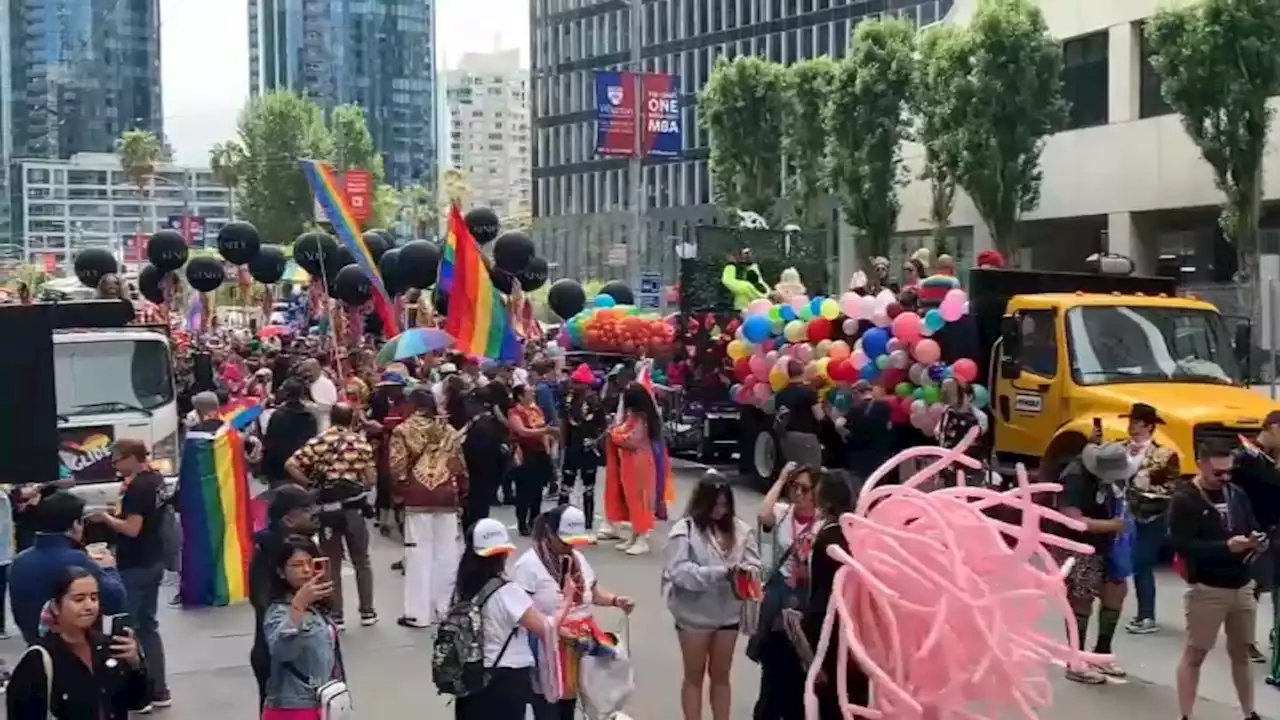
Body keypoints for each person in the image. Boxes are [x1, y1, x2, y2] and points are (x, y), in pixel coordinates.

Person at [1170, 440, 1264, 720]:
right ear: (1200, 464)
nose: (1224, 478)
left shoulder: (1236, 493)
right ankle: (1186, 715)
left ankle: (1249, 713)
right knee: (1195, 653)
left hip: (1243, 586)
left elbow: (1252, 525)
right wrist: (1225, 547)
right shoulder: (1185, 499)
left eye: (1228, 472)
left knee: (1242, 654)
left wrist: (1255, 541)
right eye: (1217, 473)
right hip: (1208, 587)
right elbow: (1182, 544)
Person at [514, 506, 635, 720]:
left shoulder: (577, 559)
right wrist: (557, 631)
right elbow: (520, 611)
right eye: (564, 540)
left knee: (570, 707)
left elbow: (593, 593)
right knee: (548, 708)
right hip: (546, 649)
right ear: (550, 533)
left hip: (578, 646)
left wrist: (616, 600)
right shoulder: (528, 565)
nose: (569, 545)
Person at [452, 518, 573, 720]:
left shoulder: (463, 587)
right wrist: (567, 600)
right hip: (505, 678)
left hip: (471, 674)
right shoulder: (507, 592)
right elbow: (546, 627)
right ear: (504, 553)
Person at [663, 472, 760, 720]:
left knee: (721, 676)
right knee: (694, 676)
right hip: (693, 616)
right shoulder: (684, 530)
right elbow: (679, 572)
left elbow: (756, 564)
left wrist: (747, 572)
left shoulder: (741, 530)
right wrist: (720, 573)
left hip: (728, 614)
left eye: (725, 504)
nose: (720, 510)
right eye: (715, 504)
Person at [86, 438, 172, 709]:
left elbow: (132, 529)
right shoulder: (155, 479)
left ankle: (138, 693)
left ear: (133, 457)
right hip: (153, 558)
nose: (114, 464)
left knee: (128, 629)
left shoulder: (138, 488)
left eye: (117, 459)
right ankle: (159, 690)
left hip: (136, 564)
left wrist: (106, 519)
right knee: (148, 626)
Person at [6, 566, 150, 719]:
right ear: (56, 606)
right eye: (79, 599)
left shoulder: (108, 647)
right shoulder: (38, 660)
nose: (89, 606)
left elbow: (138, 702)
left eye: (94, 598)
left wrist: (136, 664)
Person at [285, 403, 378, 629]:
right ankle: (367, 612)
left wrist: (310, 486)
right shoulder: (359, 442)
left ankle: (337, 615)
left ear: (332, 419)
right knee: (361, 560)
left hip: (327, 509)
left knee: (331, 563)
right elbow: (370, 478)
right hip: (353, 509)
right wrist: (357, 483)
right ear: (351, 420)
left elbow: (291, 464)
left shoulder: (320, 441)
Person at [1054, 442, 1134, 684]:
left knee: (1116, 593)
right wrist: (1113, 526)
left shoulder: (1110, 479)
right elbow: (1073, 520)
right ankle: (1076, 660)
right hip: (1078, 547)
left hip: (1108, 546)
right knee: (1081, 600)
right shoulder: (1075, 478)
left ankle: (1101, 654)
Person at [388, 388, 466, 628]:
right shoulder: (449, 430)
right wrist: (461, 489)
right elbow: (458, 465)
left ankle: (418, 613)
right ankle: (443, 609)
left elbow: (397, 467)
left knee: (418, 552)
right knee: (446, 553)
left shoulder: (403, 430)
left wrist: (399, 491)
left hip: (418, 494)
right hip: (446, 495)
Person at [9, 491, 127, 645]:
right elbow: (116, 600)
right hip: (72, 649)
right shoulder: (77, 560)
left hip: (35, 646)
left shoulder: (19, 561)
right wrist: (109, 568)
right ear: (75, 524)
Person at [753, 463, 820, 720]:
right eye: (795, 487)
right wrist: (781, 480)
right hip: (780, 597)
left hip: (806, 599)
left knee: (800, 672)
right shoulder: (783, 512)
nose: (799, 494)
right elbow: (763, 515)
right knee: (771, 668)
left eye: (805, 489)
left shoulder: (822, 522)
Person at [801, 470, 867, 719]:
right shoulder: (858, 531)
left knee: (831, 702)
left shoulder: (830, 537)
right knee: (854, 697)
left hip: (830, 629)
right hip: (858, 629)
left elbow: (822, 588)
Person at [249, 486, 319, 711]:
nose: (313, 513)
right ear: (288, 519)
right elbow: (263, 604)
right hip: (279, 659)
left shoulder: (304, 548)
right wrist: (298, 604)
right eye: (306, 509)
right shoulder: (269, 555)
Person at [261, 536, 345, 719]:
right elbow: (282, 651)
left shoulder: (317, 607)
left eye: (310, 563)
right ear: (281, 572)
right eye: (297, 565)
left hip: (324, 700)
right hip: (293, 707)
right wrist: (298, 606)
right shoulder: (278, 612)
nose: (306, 570)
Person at [1120, 402, 1181, 637]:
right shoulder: (1118, 449)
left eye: (1138, 423)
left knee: (1142, 562)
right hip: (1121, 513)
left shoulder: (1165, 455)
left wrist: (1146, 490)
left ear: (1149, 427)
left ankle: (1146, 615)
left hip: (1151, 516)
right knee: (1118, 563)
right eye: (1131, 422)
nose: (1132, 427)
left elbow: (1171, 488)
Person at [1233, 409, 1280, 673]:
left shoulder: (1268, 458)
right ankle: (1244, 639)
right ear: (1273, 428)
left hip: (1275, 528)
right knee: (1252, 588)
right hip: (1254, 530)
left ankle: (1275, 631)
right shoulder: (1246, 457)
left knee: (1270, 585)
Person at [604, 385, 662, 555]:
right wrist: (615, 432)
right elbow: (622, 432)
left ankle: (642, 537)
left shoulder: (643, 420)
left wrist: (613, 435)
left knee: (640, 500)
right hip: (629, 463)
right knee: (631, 500)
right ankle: (635, 534)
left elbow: (631, 440)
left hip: (640, 464)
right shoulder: (634, 417)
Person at [559, 364, 605, 529]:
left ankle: (587, 523)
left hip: (588, 450)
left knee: (588, 489)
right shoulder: (567, 400)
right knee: (565, 487)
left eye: (577, 382)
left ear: (586, 385)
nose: (573, 385)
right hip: (572, 448)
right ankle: (560, 519)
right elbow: (564, 423)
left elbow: (604, 427)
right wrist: (562, 446)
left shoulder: (595, 402)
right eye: (572, 382)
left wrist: (596, 441)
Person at [509, 384, 557, 536]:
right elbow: (522, 431)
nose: (532, 395)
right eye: (529, 393)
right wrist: (545, 430)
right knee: (524, 490)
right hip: (525, 453)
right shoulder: (514, 412)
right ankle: (522, 522)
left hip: (540, 453)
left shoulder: (536, 410)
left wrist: (548, 448)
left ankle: (535, 521)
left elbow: (544, 431)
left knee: (538, 490)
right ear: (520, 396)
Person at [261, 379, 320, 487]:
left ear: (286, 393)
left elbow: (270, 443)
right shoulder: (310, 417)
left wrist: (264, 469)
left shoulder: (278, 416)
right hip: (300, 467)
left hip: (279, 469)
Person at [773, 359, 823, 468]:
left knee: (793, 470)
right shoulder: (809, 392)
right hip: (806, 436)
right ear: (803, 371)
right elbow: (819, 416)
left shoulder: (780, 394)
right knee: (811, 470)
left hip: (787, 437)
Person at [300, 358, 339, 433]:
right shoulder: (309, 383)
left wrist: (309, 405)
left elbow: (329, 406)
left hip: (323, 421)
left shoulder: (326, 384)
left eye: (309, 371)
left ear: (316, 369)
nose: (307, 374)